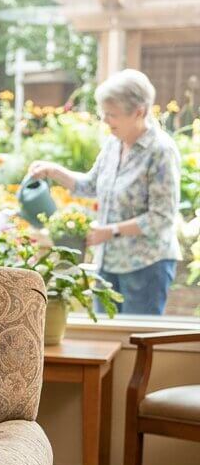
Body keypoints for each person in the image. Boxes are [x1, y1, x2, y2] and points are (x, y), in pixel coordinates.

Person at [29, 68, 182, 315]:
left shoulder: (161, 151)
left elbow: (161, 217)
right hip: (108, 264)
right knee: (109, 341)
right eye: (104, 113)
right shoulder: (114, 143)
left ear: (139, 112)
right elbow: (90, 185)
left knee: (135, 342)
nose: (105, 121)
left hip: (146, 266)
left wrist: (109, 232)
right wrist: (53, 171)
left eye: (112, 114)